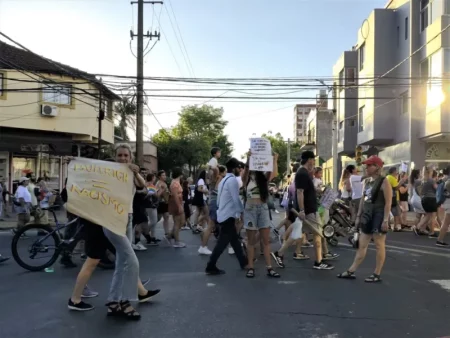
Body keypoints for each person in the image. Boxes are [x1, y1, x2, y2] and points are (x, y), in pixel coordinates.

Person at [337, 155, 392, 282]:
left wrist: (385, 220)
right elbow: (363, 199)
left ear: (377, 167)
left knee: (379, 244)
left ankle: (377, 274)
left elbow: (388, 202)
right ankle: (351, 270)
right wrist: (358, 216)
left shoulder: (384, 181)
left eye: (369, 165)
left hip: (378, 215)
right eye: (366, 165)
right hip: (367, 215)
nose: (366, 167)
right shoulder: (367, 181)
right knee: (361, 244)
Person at [205, 158, 248, 275]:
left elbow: (219, 199)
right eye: (239, 168)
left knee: (234, 240)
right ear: (235, 169)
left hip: (224, 214)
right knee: (222, 243)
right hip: (228, 215)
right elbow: (236, 199)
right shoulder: (232, 181)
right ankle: (211, 265)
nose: (240, 170)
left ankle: (243, 262)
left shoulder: (224, 179)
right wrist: (241, 212)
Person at [241, 151, 280, 278]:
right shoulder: (246, 178)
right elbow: (245, 172)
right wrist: (248, 159)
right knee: (251, 241)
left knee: (265, 240)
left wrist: (274, 159)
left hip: (263, 208)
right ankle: (251, 267)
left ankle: (269, 268)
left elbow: (272, 173)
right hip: (250, 209)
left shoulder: (263, 178)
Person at [294, 151, 333, 270]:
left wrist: (319, 191)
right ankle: (318, 261)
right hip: (309, 209)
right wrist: (301, 210)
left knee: (300, 232)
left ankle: (280, 253)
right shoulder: (302, 173)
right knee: (318, 235)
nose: (314, 163)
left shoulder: (305, 173)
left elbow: (306, 190)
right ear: (309, 160)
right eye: (313, 160)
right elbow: (300, 192)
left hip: (309, 208)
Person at [198, 165, 226, 255]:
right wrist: (212, 166)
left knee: (214, 225)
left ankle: (204, 240)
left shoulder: (215, 178)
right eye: (225, 171)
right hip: (215, 203)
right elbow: (216, 170)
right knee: (211, 225)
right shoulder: (218, 177)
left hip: (214, 202)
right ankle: (203, 246)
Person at [168, 167, 186, 248]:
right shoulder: (175, 183)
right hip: (176, 203)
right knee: (177, 222)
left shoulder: (176, 182)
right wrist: (179, 206)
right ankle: (176, 241)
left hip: (178, 202)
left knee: (181, 222)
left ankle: (170, 236)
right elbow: (175, 196)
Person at [386, 167, 405, 232]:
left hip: (388, 197)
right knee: (396, 213)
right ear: (393, 171)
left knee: (388, 212)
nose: (397, 172)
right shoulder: (391, 178)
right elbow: (396, 188)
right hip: (393, 198)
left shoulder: (387, 177)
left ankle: (388, 225)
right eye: (396, 171)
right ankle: (396, 227)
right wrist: (401, 182)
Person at [144, 173, 160, 245]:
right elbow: (156, 195)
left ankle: (153, 237)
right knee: (153, 221)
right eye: (154, 177)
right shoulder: (150, 185)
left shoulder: (145, 184)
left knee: (153, 221)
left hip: (148, 204)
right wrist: (160, 190)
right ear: (152, 178)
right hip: (151, 205)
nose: (155, 178)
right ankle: (144, 230)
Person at [156, 170, 171, 242]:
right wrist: (163, 191)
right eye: (163, 175)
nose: (164, 176)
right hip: (160, 203)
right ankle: (146, 230)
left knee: (166, 216)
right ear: (159, 176)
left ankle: (166, 233)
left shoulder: (164, 183)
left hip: (165, 202)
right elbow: (157, 194)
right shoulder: (159, 184)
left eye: (165, 175)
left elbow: (167, 193)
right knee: (157, 219)